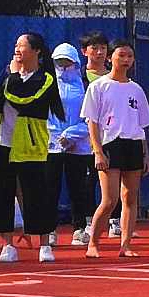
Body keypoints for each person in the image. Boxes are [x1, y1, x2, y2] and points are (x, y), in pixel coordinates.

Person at [0, 32, 63, 264]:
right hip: (3, 145)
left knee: (36, 194)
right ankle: (8, 245)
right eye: (15, 45)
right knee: (0, 194)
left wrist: (12, 75)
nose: (17, 50)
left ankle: (44, 244)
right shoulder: (7, 78)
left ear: (36, 51)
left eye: (22, 46)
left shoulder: (45, 80)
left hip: (30, 146)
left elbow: (23, 98)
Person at [81, 40, 149, 258]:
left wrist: (145, 153)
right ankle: (93, 242)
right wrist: (98, 151)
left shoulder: (136, 89)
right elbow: (92, 121)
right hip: (110, 143)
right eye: (121, 55)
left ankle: (126, 244)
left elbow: (142, 124)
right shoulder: (98, 86)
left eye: (130, 56)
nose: (126, 60)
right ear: (111, 57)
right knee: (109, 199)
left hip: (133, 144)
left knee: (130, 198)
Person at [46, 42, 97, 249]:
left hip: (79, 146)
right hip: (52, 145)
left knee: (79, 188)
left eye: (68, 62)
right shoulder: (48, 82)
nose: (63, 65)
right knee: (51, 188)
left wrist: (72, 135)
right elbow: (45, 114)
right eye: (59, 62)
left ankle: (79, 229)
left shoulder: (85, 84)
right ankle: (49, 230)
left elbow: (91, 116)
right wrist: (58, 137)